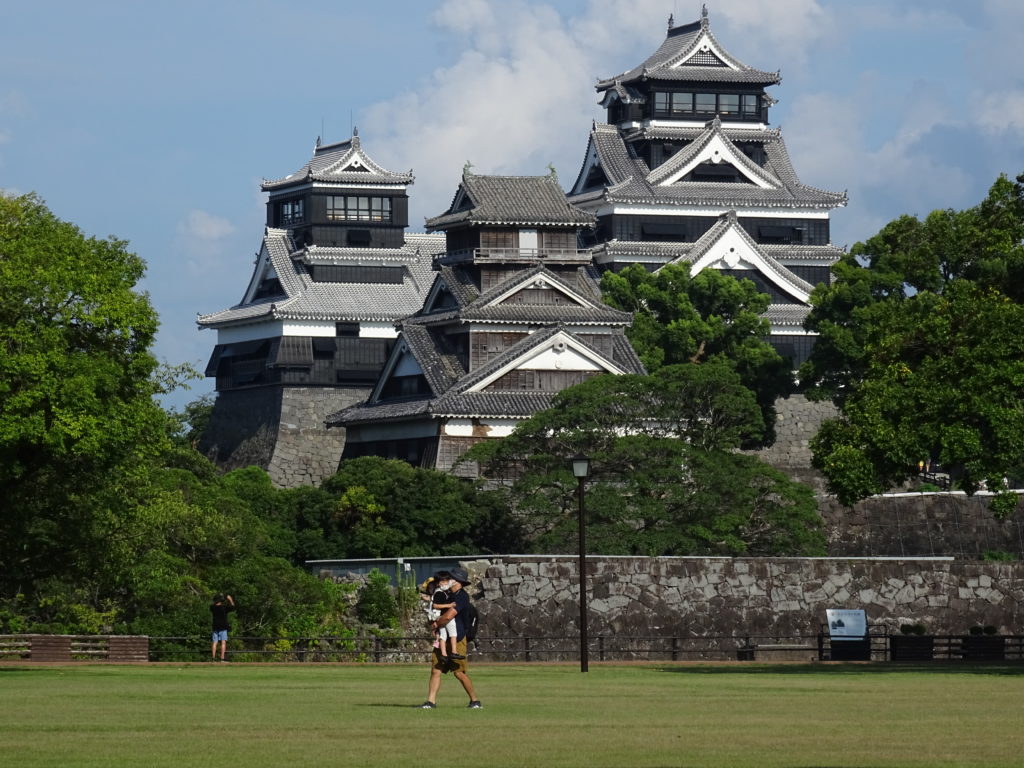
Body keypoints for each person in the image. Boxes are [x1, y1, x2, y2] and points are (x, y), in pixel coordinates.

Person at [419, 568, 481, 709]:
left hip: (457, 638)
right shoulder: (448, 594)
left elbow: (449, 616)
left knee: (459, 673)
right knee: (436, 670)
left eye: (450, 578)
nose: (447, 581)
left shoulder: (462, 596)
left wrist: (436, 624)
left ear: (458, 581)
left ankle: (475, 700)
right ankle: (431, 702)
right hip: (443, 638)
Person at [419, 574, 464, 663]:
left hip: (438, 617)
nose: (446, 583)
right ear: (438, 583)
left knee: (442, 635)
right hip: (444, 616)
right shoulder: (440, 593)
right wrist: (449, 605)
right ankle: (454, 651)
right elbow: (435, 605)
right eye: (443, 581)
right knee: (453, 633)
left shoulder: (438, 593)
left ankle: (444, 654)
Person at [210, 593, 235, 661]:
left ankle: (213, 658)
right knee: (223, 642)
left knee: (215, 642)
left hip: (215, 626)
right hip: (223, 627)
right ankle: (222, 658)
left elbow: (214, 604)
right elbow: (233, 607)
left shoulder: (212, 607)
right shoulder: (224, 607)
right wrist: (230, 599)